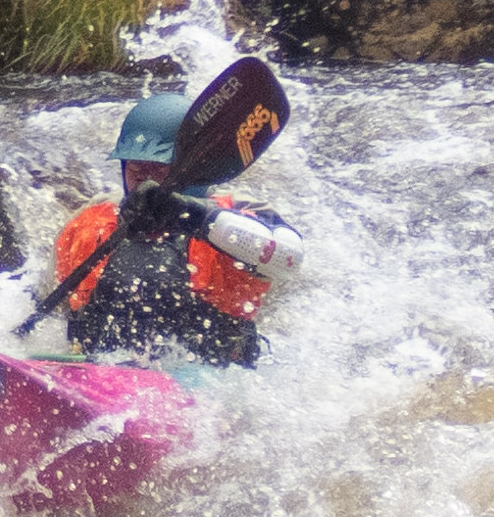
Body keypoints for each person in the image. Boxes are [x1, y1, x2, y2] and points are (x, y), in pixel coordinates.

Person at [38, 84, 301, 367]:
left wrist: (190, 215)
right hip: (100, 375)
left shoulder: (238, 216)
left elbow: (289, 258)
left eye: (159, 170)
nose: (146, 183)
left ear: (193, 170)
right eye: (137, 170)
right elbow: (45, 313)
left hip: (212, 378)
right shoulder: (88, 225)